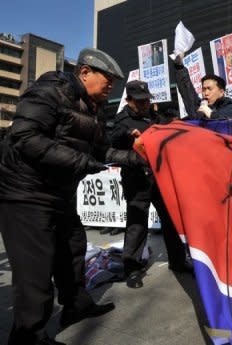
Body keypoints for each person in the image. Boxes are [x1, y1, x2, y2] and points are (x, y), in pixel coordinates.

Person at [0, 48, 147, 345]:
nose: (111, 87)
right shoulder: (49, 91)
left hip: (60, 192)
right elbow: (25, 137)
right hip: (25, 192)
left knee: (73, 252)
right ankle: (28, 336)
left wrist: (136, 159)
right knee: (35, 271)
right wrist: (81, 163)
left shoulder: (94, 106)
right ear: (84, 72)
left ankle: (76, 305)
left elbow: (100, 151)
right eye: (107, 80)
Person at [110, 80, 191, 288]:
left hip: (159, 178)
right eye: (140, 101)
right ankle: (132, 268)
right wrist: (129, 136)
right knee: (137, 223)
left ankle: (178, 261)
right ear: (129, 101)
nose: (145, 104)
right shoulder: (122, 121)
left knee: (170, 219)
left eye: (147, 100)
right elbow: (114, 137)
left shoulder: (154, 117)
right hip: (137, 181)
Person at [172, 54, 232, 119]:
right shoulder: (200, 107)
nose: (206, 93)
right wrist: (179, 68)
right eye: (203, 89)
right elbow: (188, 92)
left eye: (209, 89)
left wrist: (211, 114)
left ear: (221, 92)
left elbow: (230, 117)